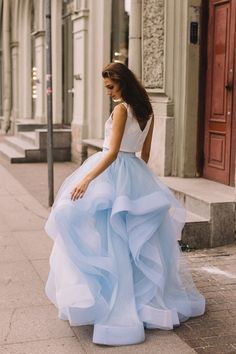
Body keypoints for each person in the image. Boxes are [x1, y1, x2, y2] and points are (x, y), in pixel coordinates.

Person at [45, 62, 205, 346]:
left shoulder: (122, 109)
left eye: (110, 86)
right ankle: (145, 302)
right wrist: (136, 184)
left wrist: (87, 180)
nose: (108, 92)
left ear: (122, 83)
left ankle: (114, 302)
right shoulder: (147, 110)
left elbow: (113, 152)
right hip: (135, 173)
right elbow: (144, 155)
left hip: (112, 170)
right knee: (137, 242)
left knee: (104, 233)